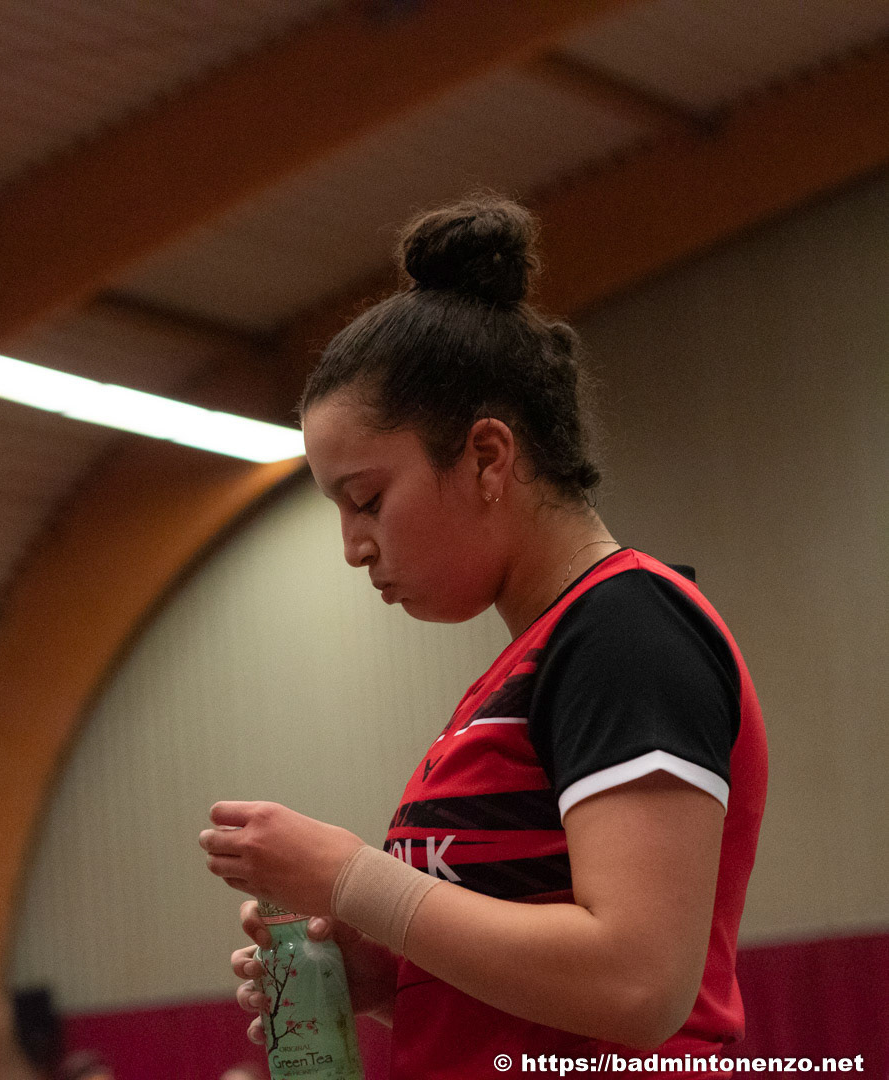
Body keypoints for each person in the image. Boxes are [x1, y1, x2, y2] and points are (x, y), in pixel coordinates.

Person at [197, 198, 766, 1077]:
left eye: (366, 500)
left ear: (488, 457)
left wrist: (351, 880)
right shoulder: (514, 677)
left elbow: (638, 985)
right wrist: (386, 980)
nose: (353, 547)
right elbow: (540, 997)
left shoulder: (626, 628)